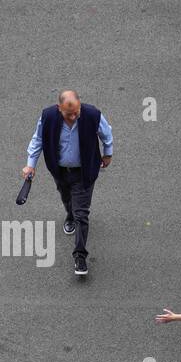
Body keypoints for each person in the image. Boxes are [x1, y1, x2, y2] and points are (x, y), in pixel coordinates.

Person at [22, 88, 113, 278]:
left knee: (82, 213)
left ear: (80, 105)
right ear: (59, 108)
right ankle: (69, 214)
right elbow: (37, 139)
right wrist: (30, 165)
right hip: (60, 171)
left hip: (84, 172)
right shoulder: (48, 117)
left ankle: (80, 256)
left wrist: (108, 153)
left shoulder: (92, 115)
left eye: (76, 112)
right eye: (68, 113)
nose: (73, 117)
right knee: (66, 198)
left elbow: (107, 133)